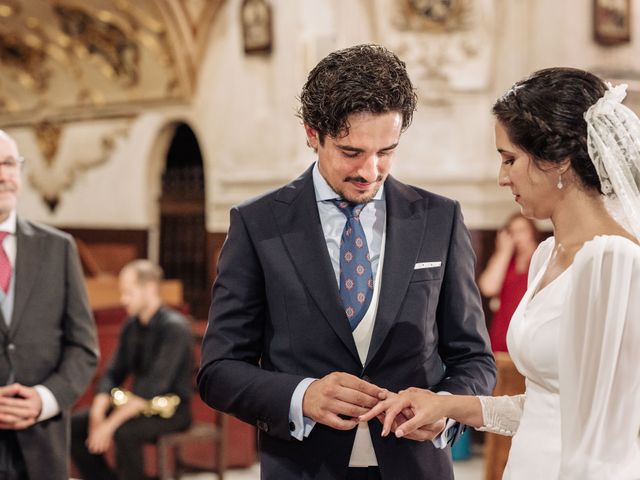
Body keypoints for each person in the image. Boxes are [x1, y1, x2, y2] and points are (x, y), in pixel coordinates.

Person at [197, 44, 496, 480]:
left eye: (386, 151)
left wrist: (446, 410)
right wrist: (303, 395)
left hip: (416, 468)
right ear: (312, 133)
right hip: (304, 467)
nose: (371, 171)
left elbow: (474, 357)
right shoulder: (258, 224)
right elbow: (218, 371)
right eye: (351, 152)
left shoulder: (440, 218)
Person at [361, 67, 640, 479]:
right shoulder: (547, 255)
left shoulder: (614, 261)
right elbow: (549, 407)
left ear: (558, 160)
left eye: (510, 159)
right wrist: (445, 404)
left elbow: (605, 442)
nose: (501, 177)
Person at [0, 130, 98, 480]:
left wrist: (46, 398)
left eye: (10, 163)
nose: (3, 175)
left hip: (42, 446)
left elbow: (83, 347)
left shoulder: (59, 249)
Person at [71, 260, 193, 480]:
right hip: (135, 407)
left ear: (150, 289)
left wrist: (108, 426)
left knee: (124, 432)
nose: (123, 299)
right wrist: (98, 414)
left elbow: (153, 387)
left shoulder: (175, 328)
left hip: (172, 411)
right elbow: (112, 373)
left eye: (128, 292)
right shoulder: (132, 325)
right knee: (76, 425)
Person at [478, 213, 539, 352]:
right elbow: (487, 288)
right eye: (512, 232)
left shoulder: (541, 260)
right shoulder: (506, 262)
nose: (516, 237)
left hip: (528, 341)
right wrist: (503, 251)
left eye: (521, 231)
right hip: (501, 338)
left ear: (532, 232)